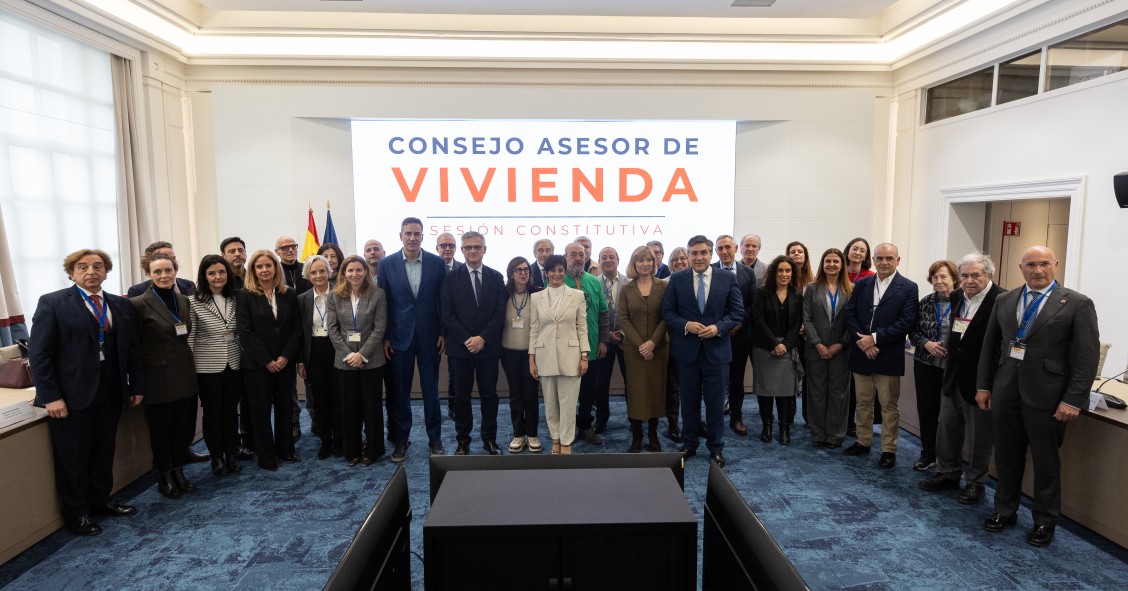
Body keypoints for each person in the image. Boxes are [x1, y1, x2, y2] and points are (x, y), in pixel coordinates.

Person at [976, 246, 1099, 547]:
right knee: (1006, 457)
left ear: (1055, 265)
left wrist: (1073, 400)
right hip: (1006, 391)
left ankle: (1045, 521)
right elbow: (990, 346)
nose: (1037, 270)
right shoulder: (1005, 300)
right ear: (1021, 268)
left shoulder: (1076, 304)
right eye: (1030, 264)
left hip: (1049, 397)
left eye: (1044, 263)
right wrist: (984, 385)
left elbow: (1086, 358)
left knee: (1046, 463)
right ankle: (1004, 510)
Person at [29, 249, 144, 535]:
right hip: (70, 395)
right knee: (74, 456)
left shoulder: (120, 305)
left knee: (104, 450)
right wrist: (51, 396)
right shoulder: (53, 303)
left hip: (110, 389)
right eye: (83, 267)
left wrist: (136, 385)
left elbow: (131, 350)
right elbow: (39, 356)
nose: (91, 271)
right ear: (71, 273)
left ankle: (101, 500)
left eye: (98, 266)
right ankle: (77, 513)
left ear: (106, 272)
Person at [919, 253, 1004, 505]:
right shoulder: (957, 297)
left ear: (988, 275)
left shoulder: (1001, 300)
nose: (968, 280)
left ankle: (975, 483)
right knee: (947, 429)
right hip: (952, 375)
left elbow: (999, 347)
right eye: (964, 275)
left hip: (980, 382)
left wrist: (986, 385)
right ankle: (948, 473)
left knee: (979, 437)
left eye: (975, 275)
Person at [662, 235, 744, 468]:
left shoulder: (727, 278)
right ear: (688, 256)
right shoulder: (677, 279)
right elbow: (668, 313)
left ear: (711, 254)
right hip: (686, 353)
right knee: (688, 402)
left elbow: (737, 313)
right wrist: (686, 325)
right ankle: (689, 444)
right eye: (694, 253)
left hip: (717, 353)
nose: (698, 257)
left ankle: (716, 447)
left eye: (703, 253)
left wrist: (718, 327)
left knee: (715, 404)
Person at [842, 243, 919, 469]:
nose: (884, 262)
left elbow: (906, 322)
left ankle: (888, 449)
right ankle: (863, 441)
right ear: (873, 260)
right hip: (861, 353)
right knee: (863, 402)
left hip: (888, 354)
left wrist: (874, 339)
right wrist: (865, 343)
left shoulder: (908, 287)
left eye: (889, 258)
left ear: (898, 260)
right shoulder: (863, 283)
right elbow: (850, 315)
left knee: (888, 406)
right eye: (880, 258)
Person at [378, 217, 448, 462]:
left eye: (416, 233)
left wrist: (442, 331)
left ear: (422, 237)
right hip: (399, 338)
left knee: (431, 392)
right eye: (408, 233)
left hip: (430, 337)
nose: (412, 237)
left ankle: (435, 440)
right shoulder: (386, 265)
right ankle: (400, 441)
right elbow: (383, 303)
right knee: (400, 393)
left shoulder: (438, 264)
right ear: (400, 236)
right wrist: (385, 336)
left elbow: (444, 301)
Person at [131, 252, 199, 497]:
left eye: (168, 270)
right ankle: (165, 474)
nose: (163, 275)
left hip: (185, 376)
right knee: (162, 431)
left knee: (183, 428)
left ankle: (179, 470)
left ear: (175, 271)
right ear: (149, 274)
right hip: (157, 380)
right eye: (157, 271)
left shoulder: (184, 301)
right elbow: (134, 347)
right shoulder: (138, 304)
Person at [440, 231, 507, 455]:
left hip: (488, 348)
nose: (473, 251)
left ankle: (489, 439)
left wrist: (483, 338)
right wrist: (468, 339)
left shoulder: (496, 277)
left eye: (477, 247)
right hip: (461, 349)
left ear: (484, 250)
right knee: (461, 397)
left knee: (489, 396)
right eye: (468, 247)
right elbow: (447, 313)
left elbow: (500, 313)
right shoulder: (450, 278)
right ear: (462, 251)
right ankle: (463, 441)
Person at [237, 249, 301, 470]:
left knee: (285, 408)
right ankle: (266, 457)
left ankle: (286, 450)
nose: (264, 270)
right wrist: (267, 360)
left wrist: (285, 357)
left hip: (284, 362)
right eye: (259, 266)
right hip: (257, 365)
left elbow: (296, 329)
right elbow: (245, 332)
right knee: (260, 412)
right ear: (253, 270)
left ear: (276, 268)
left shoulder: (289, 293)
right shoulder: (244, 295)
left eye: (268, 265)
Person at [327, 255, 388, 466]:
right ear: (344, 273)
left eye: (359, 270)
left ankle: (373, 451)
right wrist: (349, 355)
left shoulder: (378, 294)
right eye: (350, 270)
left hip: (371, 360)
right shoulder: (334, 296)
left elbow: (380, 328)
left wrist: (361, 355)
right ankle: (351, 450)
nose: (355, 274)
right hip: (344, 361)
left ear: (366, 272)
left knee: (372, 408)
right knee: (349, 408)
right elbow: (333, 330)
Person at [188, 255, 244, 476]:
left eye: (221, 272)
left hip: (234, 362)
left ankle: (231, 454)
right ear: (204, 276)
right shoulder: (192, 301)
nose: (217, 277)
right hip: (207, 366)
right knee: (212, 413)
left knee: (231, 411)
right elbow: (190, 338)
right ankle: (216, 458)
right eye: (211, 273)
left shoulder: (237, 297)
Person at [528, 255, 590, 455]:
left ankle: (566, 442)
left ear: (565, 272)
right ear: (546, 274)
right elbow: (534, 329)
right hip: (544, 356)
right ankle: (555, 438)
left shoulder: (577, 295)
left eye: (560, 270)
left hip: (571, 356)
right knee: (551, 404)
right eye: (552, 270)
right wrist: (532, 358)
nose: (557, 274)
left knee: (569, 403)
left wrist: (584, 356)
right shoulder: (536, 298)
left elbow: (582, 327)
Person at [909, 260, 960, 472]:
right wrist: (926, 344)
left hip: (954, 367)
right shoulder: (925, 302)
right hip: (926, 363)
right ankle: (928, 454)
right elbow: (912, 331)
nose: (939, 281)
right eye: (935, 277)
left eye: (944, 277)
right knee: (927, 410)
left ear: (954, 279)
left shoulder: (963, 302)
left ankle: (949, 459)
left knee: (950, 415)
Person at [618, 246, 669, 452]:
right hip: (634, 351)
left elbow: (668, 316)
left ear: (654, 262)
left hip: (658, 350)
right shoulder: (626, 289)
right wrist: (641, 344)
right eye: (640, 260)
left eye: (648, 260)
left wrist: (652, 343)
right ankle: (637, 436)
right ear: (634, 263)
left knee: (656, 391)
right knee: (636, 392)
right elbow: (623, 318)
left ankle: (653, 435)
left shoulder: (663, 287)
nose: (645, 264)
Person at [750, 256, 804, 445]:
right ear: (774, 272)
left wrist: (786, 345)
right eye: (780, 270)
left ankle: (784, 428)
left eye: (788, 271)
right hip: (764, 347)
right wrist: (774, 343)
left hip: (787, 348)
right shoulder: (762, 293)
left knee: (784, 392)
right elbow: (758, 320)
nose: (784, 274)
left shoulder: (797, 295)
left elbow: (798, 323)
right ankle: (767, 426)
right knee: (765, 391)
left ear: (792, 273)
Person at [802, 248, 852, 448]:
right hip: (816, 349)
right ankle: (818, 433)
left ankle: (835, 435)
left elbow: (854, 321)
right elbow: (806, 319)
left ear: (842, 265)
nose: (831, 265)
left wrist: (841, 344)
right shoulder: (812, 288)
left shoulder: (851, 289)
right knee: (817, 392)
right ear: (822, 264)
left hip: (841, 350)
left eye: (836, 261)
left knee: (838, 393)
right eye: (827, 261)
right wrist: (818, 344)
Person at [712, 234, 756, 437]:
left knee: (737, 379)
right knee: (715, 379)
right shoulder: (709, 270)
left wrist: (738, 324)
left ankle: (736, 417)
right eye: (720, 248)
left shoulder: (748, 273)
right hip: (715, 335)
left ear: (736, 248)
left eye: (727, 247)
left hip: (740, 335)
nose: (724, 252)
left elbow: (751, 305)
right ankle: (714, 418)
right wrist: (721, 326)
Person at [566, 242, 609, 444]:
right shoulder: (557, 280)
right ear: (566, 257)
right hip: (564, 348)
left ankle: (584, 425)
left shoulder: (593, 281)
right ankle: (565, 429)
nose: (578, 258)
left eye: (581, 254)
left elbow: (603, 313)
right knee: (566, 392)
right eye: (573, 254)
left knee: (588, 391)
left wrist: (603, 341)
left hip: (591, 347)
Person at [501, 257, 543, 453]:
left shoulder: (537, 293)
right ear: (511, 273)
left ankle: (532, 434)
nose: (523, 273)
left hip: (531, 353)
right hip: (508, 352)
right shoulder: (503, 294)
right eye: (518, 270)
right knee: (516, 394)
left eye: (526, 269)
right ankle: (518, 434)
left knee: (531, 394)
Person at [296, 255, 335, 458]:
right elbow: (299, 333)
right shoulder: (302, 299)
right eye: (313, 272)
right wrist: (301, 361)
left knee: (340, 396)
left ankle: (343, 438)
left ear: (329, 272)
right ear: (307, 276)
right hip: (314, 352)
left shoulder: (340, 294)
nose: (318, 275)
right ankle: (326, 440)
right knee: (320, 399)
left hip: (337, 349)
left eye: (322, 270)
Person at [593, 246, 628, 434]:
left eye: (611, 257)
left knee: (630, 381)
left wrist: (622, 332)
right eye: (603, 257)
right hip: (603, 341)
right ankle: (601, 420)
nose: (608, 260)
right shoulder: (593, 283)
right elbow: (591, 315)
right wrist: (606, 336)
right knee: (601, 383)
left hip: (625, 339)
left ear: (618, 260)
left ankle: (634, 417)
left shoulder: (629, 283)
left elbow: (634, 315)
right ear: (599, 261)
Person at [843, 236, 876, 439]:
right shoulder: (837, 272)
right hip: (837, 331)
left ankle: (852, 422)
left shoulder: (870, 276)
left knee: (856, 386)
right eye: (855, 248)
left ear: (866, 256)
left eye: (862, 250)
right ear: (848, 250)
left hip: (857, 334)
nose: (857, 253)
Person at [663, 246, 690, 442]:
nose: (679, 262)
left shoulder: (698, 282)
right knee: (673, 387)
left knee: (693, 387)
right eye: (675, 260)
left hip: (696, 341)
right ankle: (673, 425)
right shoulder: (662, 284)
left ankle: (694, 423)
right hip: (671, 342)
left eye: (683, 258)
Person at [436, 232, 463, 420]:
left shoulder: (463, 269)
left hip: (456, 329)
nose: (447, 249)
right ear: (437, 248)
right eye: (443, 245)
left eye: (451, 245)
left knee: (455, 371)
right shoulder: (431, 268)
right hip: (434, 328)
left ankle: (454, 406)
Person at [126, 241, 197, 297]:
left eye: (173, 259)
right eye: (163, 258)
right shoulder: (138, 291)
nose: (170, 262)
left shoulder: (189, 285)